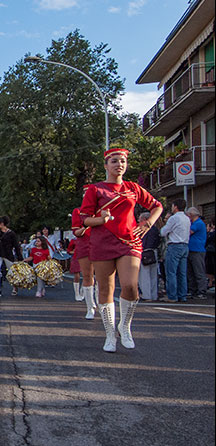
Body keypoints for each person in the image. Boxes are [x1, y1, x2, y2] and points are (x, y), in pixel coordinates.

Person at [80, 146, 162, 352]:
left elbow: (157, 206)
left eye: (122, 161)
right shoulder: (95, 189)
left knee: (130, 286)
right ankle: (109, 335)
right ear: (106, 165)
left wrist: (149, 222)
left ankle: (125, 327)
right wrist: (101, 219)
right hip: (102, 243)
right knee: (106, 289)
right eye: (114, 161)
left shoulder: (133, 188)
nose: (119, 165)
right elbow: (84, 219)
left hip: (129, 241)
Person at [71, 185, 98, 319]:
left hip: (101, 244)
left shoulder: (101, 210)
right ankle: (90, 307)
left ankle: (102, 304)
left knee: (101, 277)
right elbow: (76, 231)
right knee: (87, 276)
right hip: (84, 245)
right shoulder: (78, 211)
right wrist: (87, 226)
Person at [159, 198, 190, 303]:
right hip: (185, 245)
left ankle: (172, 296)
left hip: (174, 245)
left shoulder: (173, 218)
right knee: (182, 272)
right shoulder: (187, 218)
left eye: (172, 206)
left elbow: (163, 232)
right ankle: (183, 295)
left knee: (171, 272)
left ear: (175, 207)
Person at [0, 216, 23, 298]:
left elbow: (16, 246)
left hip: (8, 254)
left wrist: (20, 258)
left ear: (2, 224)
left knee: (11, 271)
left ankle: (14, 286)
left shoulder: (11, 233)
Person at [186, 207, 208, 299]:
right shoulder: (195, 223)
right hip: (192, 250)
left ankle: (201, 291)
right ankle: (193, 290)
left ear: (191, 215)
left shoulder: (198, 223)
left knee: (199, 272)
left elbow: (189, 232)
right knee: (191, 272)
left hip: (197, 250)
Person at [138, 212, 160, 301]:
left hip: (144, 252)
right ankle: (154, 295)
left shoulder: (143, 229)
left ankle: (146, 295)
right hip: (153, 252)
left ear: (144, 220)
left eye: (139, 220)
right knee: (153, 275)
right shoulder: (155, 229)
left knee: (144, 275)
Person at [206, 218, 215, 290]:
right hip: (210, 252)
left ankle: (211, 282)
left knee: (211, 267)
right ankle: (210, 282)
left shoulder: (211, 234)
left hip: (211, 252)